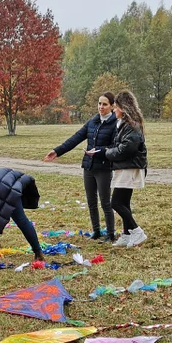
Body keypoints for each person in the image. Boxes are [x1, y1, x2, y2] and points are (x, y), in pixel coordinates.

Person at [44, 92, 118, 242]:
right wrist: (57, 151)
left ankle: (111, 234)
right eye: (99, 103)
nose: (101, 107)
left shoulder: (115, 123)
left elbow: (115, 147)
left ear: (112, 106)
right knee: (91, 201)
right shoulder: (93, 122)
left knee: (105, 202)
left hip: (104, 167)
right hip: (88, 167)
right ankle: (96, 231)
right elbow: (76, 138)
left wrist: (98, 152)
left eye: (104, 104)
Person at [105, 90, 148, 248]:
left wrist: (107, 153)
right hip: (125, 167)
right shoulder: (125, 124)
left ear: (122, 108)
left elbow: (125, 149)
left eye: (115, 107)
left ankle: (137, 231)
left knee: (115, 202)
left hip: (129, 168)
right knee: (124, 202)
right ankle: (127, 233)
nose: (114, 110)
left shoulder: (132, 126)